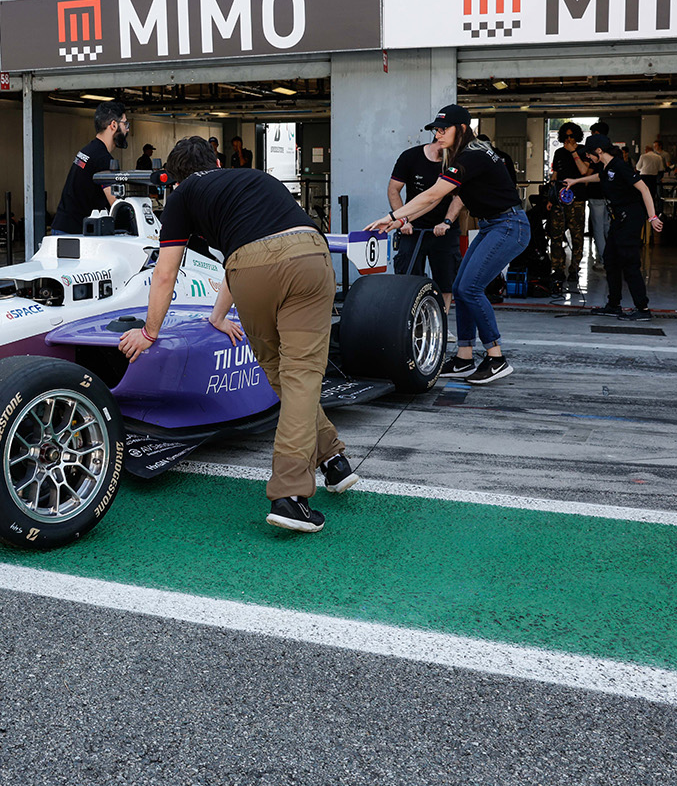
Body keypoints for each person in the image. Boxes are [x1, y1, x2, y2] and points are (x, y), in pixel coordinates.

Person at [117, 137, 361, 534]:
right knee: (299, 376)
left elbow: (174, 270)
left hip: (249, 272)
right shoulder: (252, 177)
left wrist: (149, 332)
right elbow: (265, 242)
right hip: (307, 259)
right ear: (216, 160)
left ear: (177, 178)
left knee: (282, 375)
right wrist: (218, 316)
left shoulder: (182, 197)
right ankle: (325, 466)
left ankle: (299, 485)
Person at [368, 105, 528, 385]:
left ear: (462, 129)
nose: (438, 135)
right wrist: (398, 221)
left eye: (444, 130)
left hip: (509, 225)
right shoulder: (464, 155)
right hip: (494, 225)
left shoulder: (472, 157)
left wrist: (393, 215)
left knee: (470, 287)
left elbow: (432, 195)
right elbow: (435, 199)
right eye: (436, 130)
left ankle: (496, 357)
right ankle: (465, 357)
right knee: (461, 287)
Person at [565, 133, 663, 320]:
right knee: (611, 260)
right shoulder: (608, 167)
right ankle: (613, 305)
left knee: (629, 263)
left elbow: (644, 188)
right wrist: (575, 181)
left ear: (599, 151)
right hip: (619, 219)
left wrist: (652, 217)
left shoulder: (620, 166)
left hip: (631, 218)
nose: (587, 157)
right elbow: (599, 177)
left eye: (589, 153)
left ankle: (642, 309)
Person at [388, 136, 464, 317]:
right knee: (408, 277)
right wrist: (404, 221)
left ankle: (441, 325)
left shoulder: (455, 162)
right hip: (413, 228)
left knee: (446, 280)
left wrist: (447, 222)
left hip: (443, 229)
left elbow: (459, 197)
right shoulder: (410, 157)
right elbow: (393, 190)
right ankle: (414, 321)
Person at [50, 101, 128, 235]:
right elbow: (116, 204)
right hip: (74, 233)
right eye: (125, 124)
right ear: (113, 125)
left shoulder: (89, 150)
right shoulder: (102, 159)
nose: (127, 129)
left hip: (64, 227)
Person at [547, 122, 592, 284]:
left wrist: (573, 152)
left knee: (577, 235)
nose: (569, 139)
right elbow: (555, 175)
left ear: (577, 136)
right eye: (566, 136)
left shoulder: (583, 151)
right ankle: (558, 268)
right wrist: (550, 198)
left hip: (578, 199)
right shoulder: (558, 153)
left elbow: (583, 171)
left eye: (572, 136)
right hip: (559, 199)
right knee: (556, 234)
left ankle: (574, 268)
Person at [586, 120, 614, 260]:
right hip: (609, 195)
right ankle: (612, 258)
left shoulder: (595, 153)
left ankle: (604, 260)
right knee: (608, 227)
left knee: (598, 228)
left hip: (596, 194)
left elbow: (588, 173)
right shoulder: (614, 152)